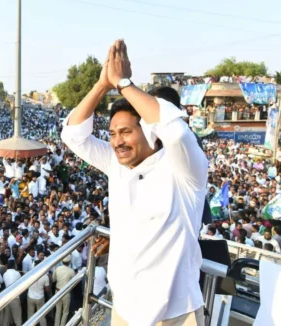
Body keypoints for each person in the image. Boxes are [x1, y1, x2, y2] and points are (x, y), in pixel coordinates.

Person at [61, 39, 207, 325]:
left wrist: (124, 83)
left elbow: (176, 133)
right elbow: (72, 135)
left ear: (151, 132)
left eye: (126, 131)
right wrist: (103, 84)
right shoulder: (117, 163)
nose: (117, 142)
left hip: (176, 313)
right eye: (113, 134)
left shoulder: (186, 171)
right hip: (126, 308)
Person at [53, 256, 75, 326]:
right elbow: (74, 282)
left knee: (58, 311)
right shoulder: (71, 271)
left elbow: (53, 279)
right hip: (66, 293)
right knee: (65, 312)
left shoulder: (57, 269)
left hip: (57, 291)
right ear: (69, 262)